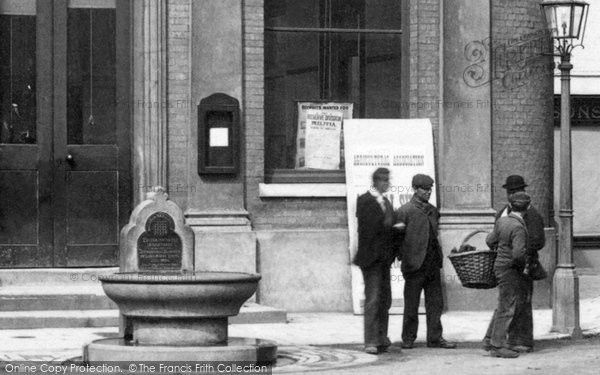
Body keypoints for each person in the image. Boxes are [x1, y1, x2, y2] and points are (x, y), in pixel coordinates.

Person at [483, 175, 545, 353]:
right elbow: (516, 251)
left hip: (519, 265)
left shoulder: (527, 215)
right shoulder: (509, 216)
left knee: (514, 303)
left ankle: (516, 340)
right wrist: (515, 255)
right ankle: (500, 342)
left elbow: (538, 241)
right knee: (510, 303)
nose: (513, 194)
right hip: (516, 266)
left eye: (516, 191)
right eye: (511, 191)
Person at [394, 174, 456, 349]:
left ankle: (435, 338)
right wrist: (405, 258)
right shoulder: (404, 211)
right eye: (424, 189)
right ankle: (408, 338)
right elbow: (396, 240)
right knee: (411, 305)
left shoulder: (433, 211)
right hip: (414, 266)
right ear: (415, 189)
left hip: (432, 265)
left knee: (435, 304)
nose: (428, 192)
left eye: (430, 189)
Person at [484, 192, 532, 358]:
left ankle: (489, 339)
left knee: (503, 303)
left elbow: (490, 241)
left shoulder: (502, 221)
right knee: (507, 307)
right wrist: (522, 267)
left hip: (499, 267)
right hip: (510, 270)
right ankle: (497, 346)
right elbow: (518, 254)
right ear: (528, 207)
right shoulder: (519, 226)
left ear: (511, 206)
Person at [354, 168, 396, 354]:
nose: (387, 183)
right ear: (376, 181)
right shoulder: (364, 200)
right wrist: (391, 227)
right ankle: (370, 340)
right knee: (373, 299)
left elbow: (389, 227)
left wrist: (394, 228)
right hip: (371, 259)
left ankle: (381, 337)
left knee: (385, 299)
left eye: (388, 180)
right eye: (384, 180)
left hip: (385, 259)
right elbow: (368, 229)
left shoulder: (386, 202)